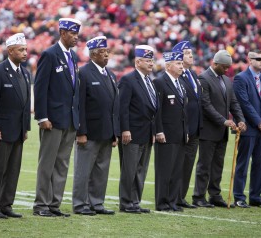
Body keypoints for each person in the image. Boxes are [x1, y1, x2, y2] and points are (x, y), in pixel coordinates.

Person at [33, 18, 81, 217]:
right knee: (47, 163)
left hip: (69, 120)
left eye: (77, 34)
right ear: (62, 33)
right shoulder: (49, 54)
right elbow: (40, 87)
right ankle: (41, 205)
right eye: (73, 34)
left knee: (62, 164)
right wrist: (42, 116)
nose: (76, 37)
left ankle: (54, 204)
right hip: (52, 120)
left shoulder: (73, 57)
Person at [0, 33, 31, 219]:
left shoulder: (25, 73)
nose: (25, 53)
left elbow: (25, 105)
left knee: (12, 171)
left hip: (18, 131)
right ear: (10, 51)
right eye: (21, 50)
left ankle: (6, 205)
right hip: (0, 131)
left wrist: (25, 128)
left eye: (25, 49)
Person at [192, 50, 246, 208]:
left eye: (228, 67)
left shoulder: (227, 80)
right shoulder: (203, 78)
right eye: (224, 67)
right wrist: (223, 121)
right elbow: (206, 105)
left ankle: (214, 195)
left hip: (222, 132)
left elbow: (234, 103)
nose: (227, 70)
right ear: (215, 64)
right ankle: (198, 196)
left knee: (218, 165)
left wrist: (240, 119)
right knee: (204, 165)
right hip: (208, 131)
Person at [72, 36, 120, 216]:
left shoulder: (111, 75)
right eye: (102, 52)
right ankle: (80, 204)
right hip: (89, 132)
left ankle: (96, 202)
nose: (106, 55)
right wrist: (81, 131)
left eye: (107, 52)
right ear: (93, 55)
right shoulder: (83, 73)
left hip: (106, 133)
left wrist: (115, 133)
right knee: (83, 170)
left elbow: (114, 107)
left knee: (101, 170)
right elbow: (80, 105)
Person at [118, 45, 158, 214]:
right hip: (132, 132)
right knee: (130, 169)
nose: (151, 64)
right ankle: (126, 202)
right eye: (148, 60)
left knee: (141, 169)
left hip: (147, 132)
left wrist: (154, 131)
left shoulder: (149, 81)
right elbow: (122, 107)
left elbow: (153, 110)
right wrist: (125, 129)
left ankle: (135, 201)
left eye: (152, 60)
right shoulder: (128, 79)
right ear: (138, 61)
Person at [232, 50, 261, 208]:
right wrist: (258, 121)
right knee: (243, 164)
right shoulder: (240, 78)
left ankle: (255, 196)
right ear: (250, 60)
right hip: (249, 128)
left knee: (259, 164)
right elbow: (244, 104)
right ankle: (239, 197)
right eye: (258, 59)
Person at [153, 51, 187, 211]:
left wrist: (185, 131)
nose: (182, 66)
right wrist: (158, 130)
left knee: (176, 171)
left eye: (181, 63)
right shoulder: (160, 82)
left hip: (179, 134)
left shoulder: (180, 83)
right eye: (178, 64)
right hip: (166, 134)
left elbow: (183, 111)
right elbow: (157, 110)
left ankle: (172, 201)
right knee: (164, 171)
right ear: (168, 65)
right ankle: (162, 202)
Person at [172, 41, 202, 209]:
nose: (191, 56)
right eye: (187, 53)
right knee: (179, 164)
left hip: (195, 128)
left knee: (188, 164)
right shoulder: (177, 77)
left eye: (191, 53)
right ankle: (174, 196)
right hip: (183, 128)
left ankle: (181, 197)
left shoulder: (193, 75)